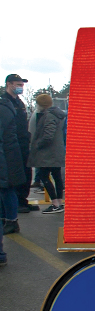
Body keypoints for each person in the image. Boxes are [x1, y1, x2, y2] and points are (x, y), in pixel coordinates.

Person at [1, 74, 36, 214]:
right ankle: (15, 204)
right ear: (9, 84)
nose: (21, 87)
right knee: (14, 175)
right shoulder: (4, 102)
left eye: (22, 85)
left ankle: (22, 200)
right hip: (11, 145)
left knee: (26, 174)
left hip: (22, 143)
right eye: (18, 84)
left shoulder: (19, 103)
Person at [28, 94, 66, 214]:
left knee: (44, 176)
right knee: (57, 176)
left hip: (48, 153)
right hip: (56, 150)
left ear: (41, 104)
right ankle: (60, 202)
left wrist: (38, 144)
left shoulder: (48, 116)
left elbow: (48, 135)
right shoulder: (58, 114)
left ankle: (55, 203)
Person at [0, 82, 25, 235]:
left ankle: (11, 220)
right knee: (4, 190)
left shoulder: (3, 108)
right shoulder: (8, 105)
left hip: (7, 155)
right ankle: (6, 219)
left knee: (7, 188)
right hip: (10, 153)